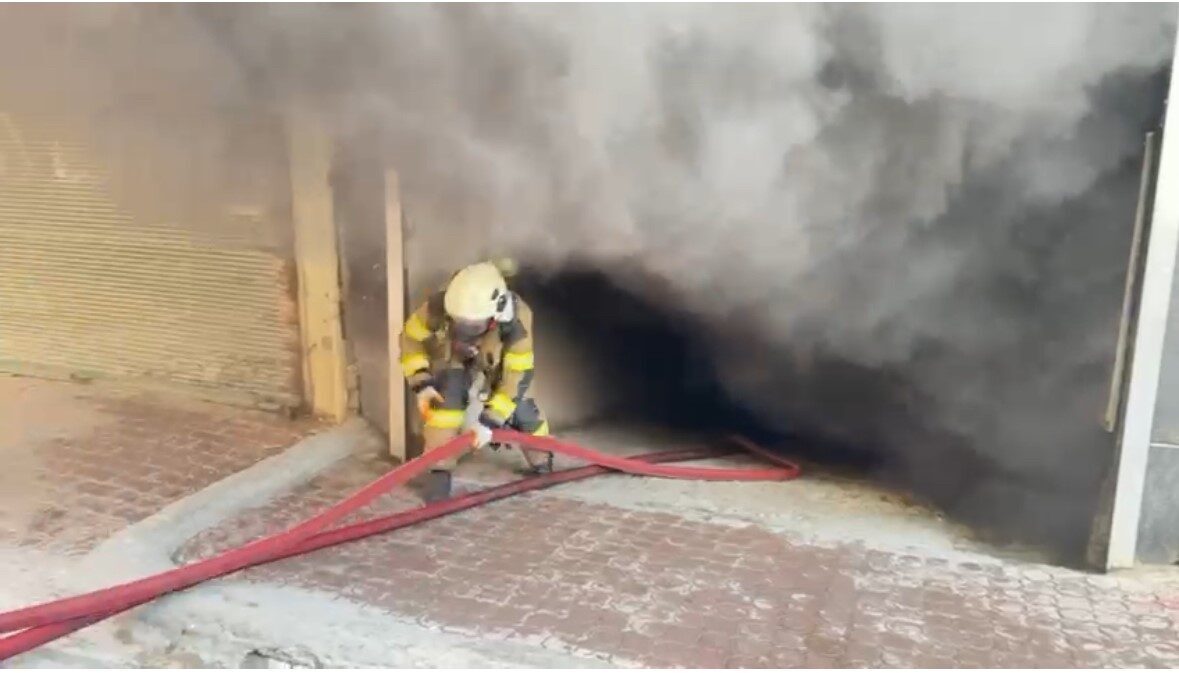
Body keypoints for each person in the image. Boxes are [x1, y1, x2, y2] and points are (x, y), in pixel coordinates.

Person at [398, 259, 551, 478]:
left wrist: (490, 420)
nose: (466, 332)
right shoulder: (440, 304)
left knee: (525, 410)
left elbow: (517, 377)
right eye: (459, 323)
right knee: (445, 405)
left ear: (494, 316)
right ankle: (438, 468)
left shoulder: (518, 322)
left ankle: (542, 461)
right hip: (456, 356)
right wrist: (421, 381)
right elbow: (411, 338)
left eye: (474, 326)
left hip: (498, 363)